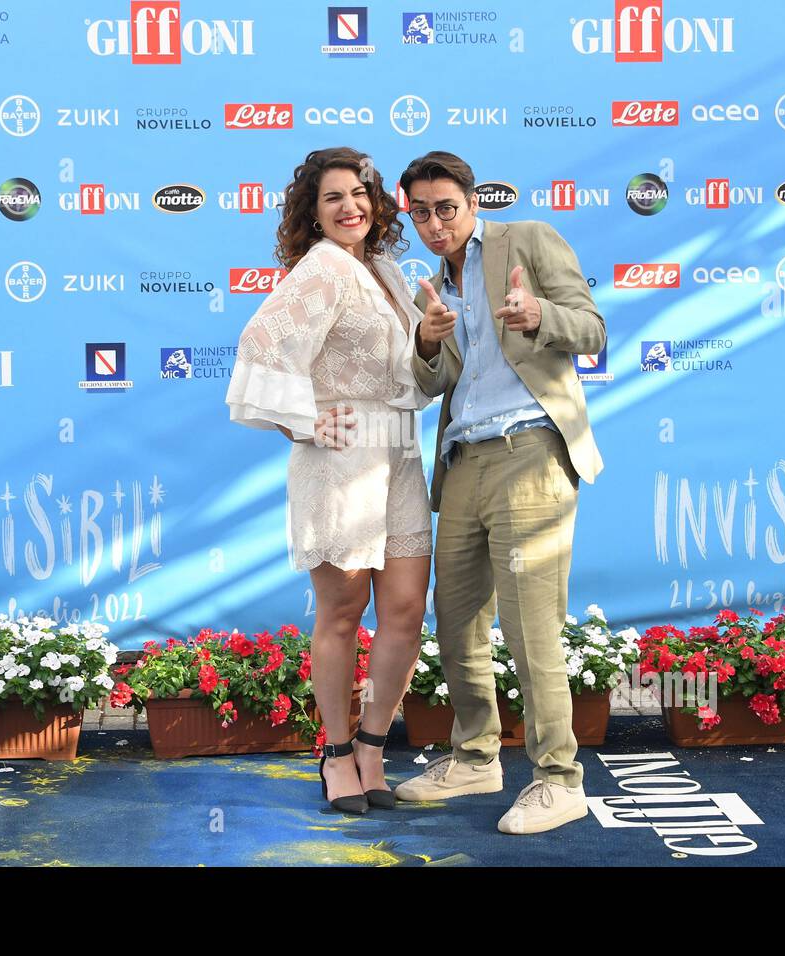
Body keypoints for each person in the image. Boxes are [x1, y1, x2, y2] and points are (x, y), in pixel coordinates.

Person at [392, 151, 606, 835]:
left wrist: (538, 312)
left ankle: (559, 780)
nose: (434, 224)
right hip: (463, 461)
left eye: (445, 208)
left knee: (529, 625)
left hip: (530, 452)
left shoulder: (529, 240)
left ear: (473, 201)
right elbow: (432, 385)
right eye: (420, 213)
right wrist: (427, 343)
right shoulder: (432, 286)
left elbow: (592, 329)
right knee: (456, 621)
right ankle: (475, 757)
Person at [225, 147, 433, 815]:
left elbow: (410, 371)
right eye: (333, 197)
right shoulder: (320, 268)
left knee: (405, 613)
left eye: (360, 193)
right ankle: (336, 753)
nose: (351, 207)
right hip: (340, 463)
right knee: (342, 615)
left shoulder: (386, 271)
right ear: (313, 214)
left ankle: (373, 746)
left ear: (377, 202)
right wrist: (305, 422)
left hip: (399, 455)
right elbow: (261, 345)